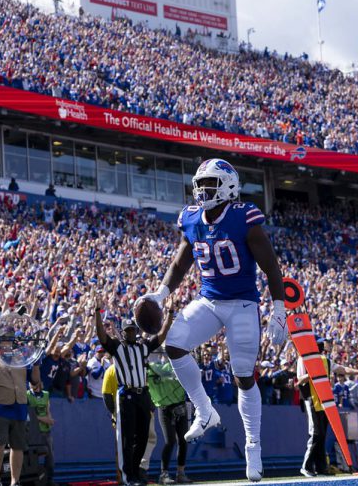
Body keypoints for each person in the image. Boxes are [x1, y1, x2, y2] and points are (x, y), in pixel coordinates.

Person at [138, 159, 288, 482]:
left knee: (243, 376)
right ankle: (205, 411)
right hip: (209, 300)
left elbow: (272, 268)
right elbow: (180, 264)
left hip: (243, 304)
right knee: (175, 343)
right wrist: (160, 295)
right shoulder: (192, 219)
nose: (202, 191)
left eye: (210, 185)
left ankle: (253, 445)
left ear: (229, 186)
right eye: (200, 185)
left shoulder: (243, 217)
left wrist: (279, 310)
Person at [95, 308, 173, 486]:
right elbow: (101, 335)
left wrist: (169, 314)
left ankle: (136, 472)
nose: (131, 333)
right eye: (128, 331)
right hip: (126, 395)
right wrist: (97, 313)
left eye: (133, 330)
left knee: (144, 437)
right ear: (123, 333)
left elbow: (161, 336)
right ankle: (128, 477)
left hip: (143, 394)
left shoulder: (142, 347)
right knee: (127, 438)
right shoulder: (117, 347)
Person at [0, 327, 42, 486]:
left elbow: (35, 381)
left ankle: (15, 481)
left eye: (11, 338)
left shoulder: (21, 357)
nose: (9, 341)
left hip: (19, 405)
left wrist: (37, 363)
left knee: (18, 445)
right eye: (5, 338)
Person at [297, 337, 358, 478]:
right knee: (316, 433)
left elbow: (342, 369)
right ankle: (306, 466)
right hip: (311, 399)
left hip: (325, 400)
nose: (324, 348)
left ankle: (321, 467)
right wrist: (313, 374)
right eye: (322, 345)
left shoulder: (325, 360)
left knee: (322, 434)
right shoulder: (303, 359)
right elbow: (300, 380)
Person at [147, 354, 192, 485]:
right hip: (164, 408)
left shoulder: (179, 367)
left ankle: (181, 473)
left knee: (183, 440)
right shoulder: (152, 368)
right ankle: (164, 474)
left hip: (180, 405)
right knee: (170, 441)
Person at [26, 381, 55, 486]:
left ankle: (49, 480)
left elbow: (49, 414)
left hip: (46, 431)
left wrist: (49, 419)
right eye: (30, 382)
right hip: (33, 432)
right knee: (32, 458)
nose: (31, 384)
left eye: (33, 382)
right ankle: (32, 481)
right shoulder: (27, 395)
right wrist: (44, 419)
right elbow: (29, 414)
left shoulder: (46, 394)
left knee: (50, 458)